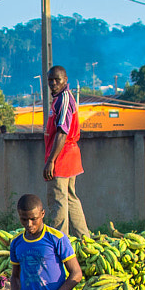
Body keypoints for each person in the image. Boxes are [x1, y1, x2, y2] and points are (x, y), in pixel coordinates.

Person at [42, 65, 90, 238]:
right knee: (70, 198)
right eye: (50, 80)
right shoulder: (60, 99)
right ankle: (84, 238)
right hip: (69, 156)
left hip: (62, 156)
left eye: (57, 80)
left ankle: (58, 242)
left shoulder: (63, 99)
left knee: (57, 201)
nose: (53, 83)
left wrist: (50, 161)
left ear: (65, 80)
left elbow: (62, 132)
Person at [9, 193, 81, 290]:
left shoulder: (57, 238)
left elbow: (76, 273)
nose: (29, 224)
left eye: (33, 219)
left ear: (42, 214)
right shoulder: (16, 242)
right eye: (24, 219)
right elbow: (15, 276)